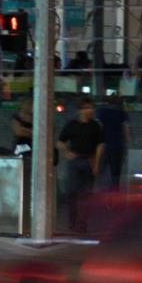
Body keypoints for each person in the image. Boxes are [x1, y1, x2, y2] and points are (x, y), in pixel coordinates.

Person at [58, 97, 104, 233]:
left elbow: (100, 145)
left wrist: (96, 163)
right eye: (87, 108)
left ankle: (82, 223)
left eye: (91, 108)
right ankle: (72, 221)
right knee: (72, 192)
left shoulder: (95, 126)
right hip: (75, 161)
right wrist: (67, 152)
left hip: (89, 160)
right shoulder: (72, 125)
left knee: (87, 194)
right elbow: (60, 142)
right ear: (80, 110)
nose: (90, 110)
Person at [96, 95, 130, 189]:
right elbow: (126, 129)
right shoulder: (122, 113)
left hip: (104, 145)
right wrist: (127, 141)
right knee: (116, 172)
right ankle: (115, 189)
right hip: (118, 145)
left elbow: (99, 126)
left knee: (101, 169)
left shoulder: (102, 111)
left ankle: (100, 189)